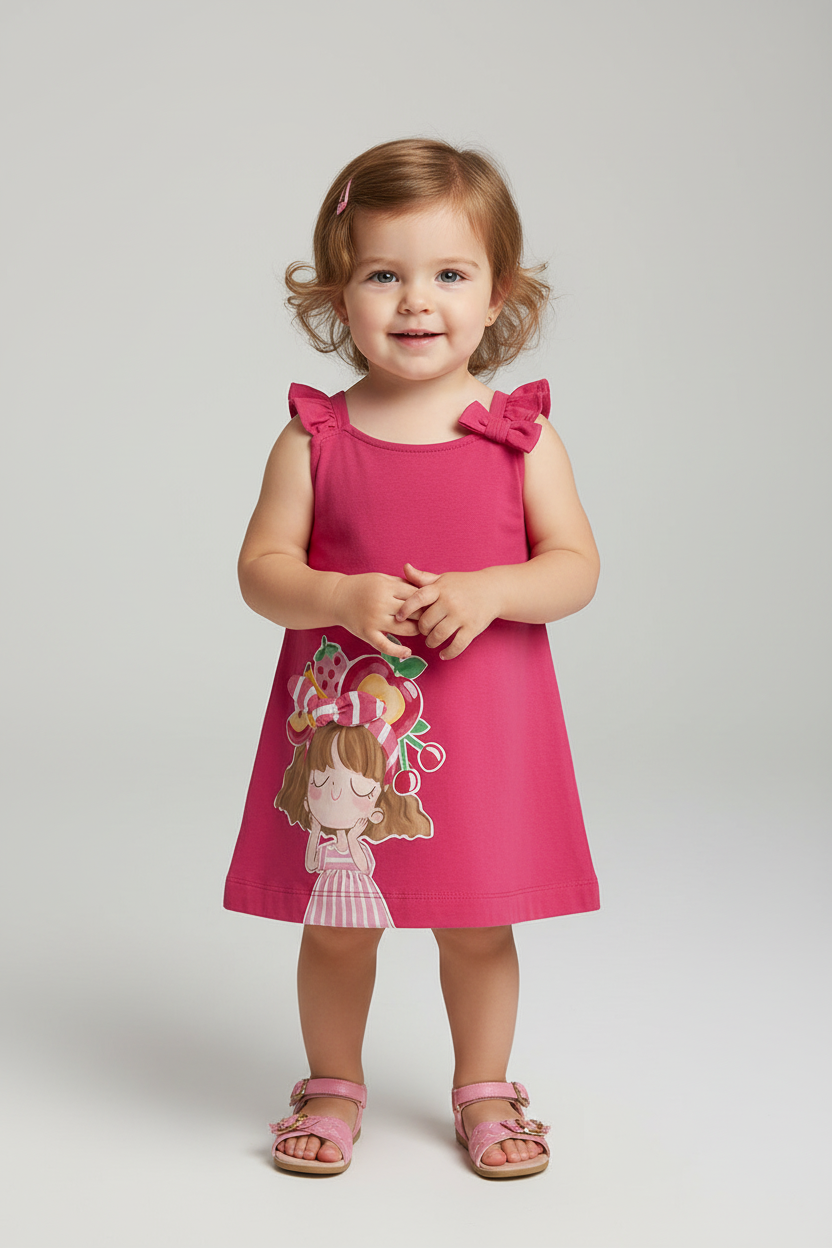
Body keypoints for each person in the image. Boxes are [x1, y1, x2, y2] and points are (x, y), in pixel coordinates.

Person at [224, 137, 600, 1178]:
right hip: (351, 744)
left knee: (476, 925)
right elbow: (261, 570)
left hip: (478, 734)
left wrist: (493, 590)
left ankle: (485, 1088)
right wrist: (336, 594)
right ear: (336, 294)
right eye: (383, 275)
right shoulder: (316, 438)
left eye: (448, 275)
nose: (415, 301)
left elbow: (573, 568)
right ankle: (331, 1083)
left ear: (498, 295)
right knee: (342, 923)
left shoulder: (516, 439)